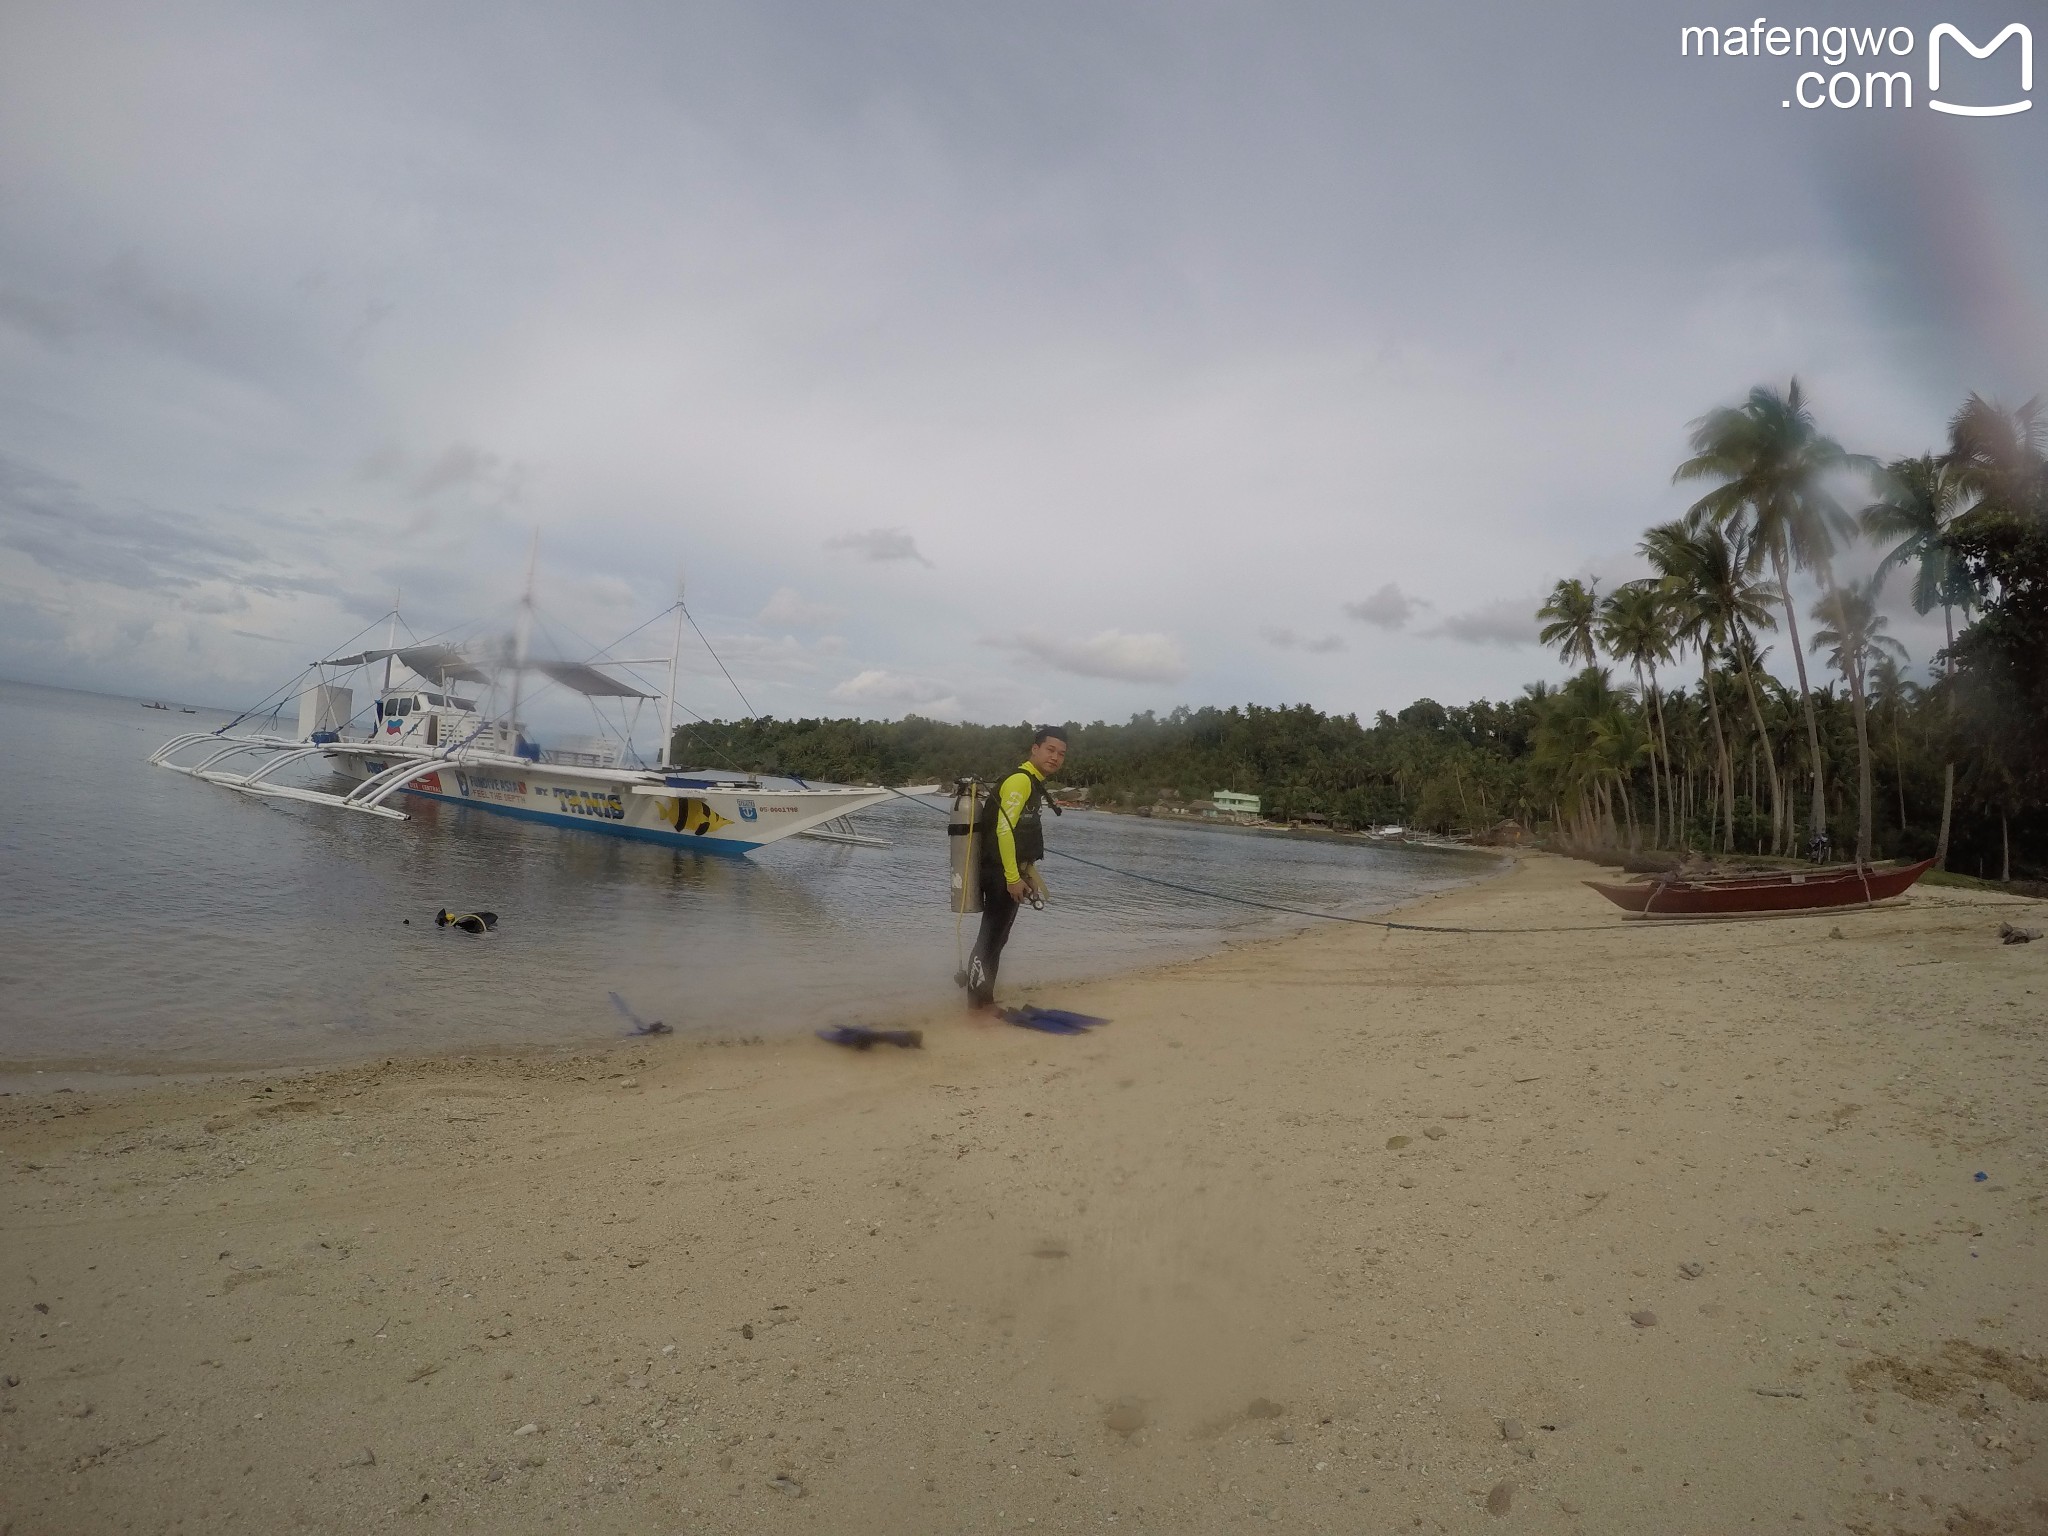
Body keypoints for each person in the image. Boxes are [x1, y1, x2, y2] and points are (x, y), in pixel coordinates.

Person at [964, 725, 1067, 1007]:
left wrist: (1026, 873)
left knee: (998, 937)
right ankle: (978, 1005)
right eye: (1050, 750)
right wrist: (1011, 877)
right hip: (998, 871)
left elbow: (1020, 833)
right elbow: (1004, 830)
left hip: (1010, 870)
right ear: (1034, 749)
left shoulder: (1032, 782)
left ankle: (983, 1000)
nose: (1055, 757)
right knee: (991, 937)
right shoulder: (1020, 781)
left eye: (1061, 753)